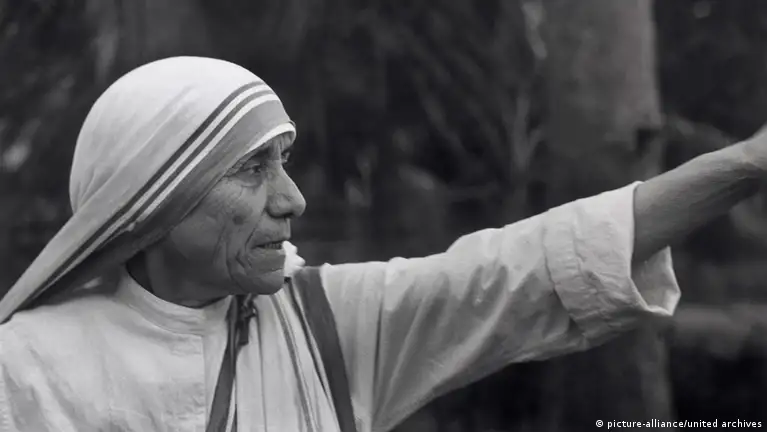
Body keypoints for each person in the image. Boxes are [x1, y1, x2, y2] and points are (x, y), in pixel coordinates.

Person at [0, 56, 762, 432]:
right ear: (150, 200)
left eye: (284, 163)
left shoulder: (324, 322)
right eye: (251, 169)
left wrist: (746, 163)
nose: (291, 199)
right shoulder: (26, 369)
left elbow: (528, 266)